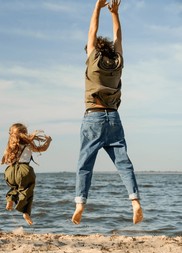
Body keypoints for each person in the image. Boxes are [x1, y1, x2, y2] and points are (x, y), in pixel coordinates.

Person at [72, 0, 143, 225]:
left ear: (92, 50)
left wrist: (97, 8)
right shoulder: (118, 61)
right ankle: (135, 201)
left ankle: (80, 204)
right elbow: (118, 35)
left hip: (93, 116)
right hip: (113, 117)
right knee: (124, 163)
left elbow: (92, 30)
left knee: (85, 164)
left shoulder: (93, 60)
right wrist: (114, 13)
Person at [1, 123, 52, 225]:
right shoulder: (28, 145)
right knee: (28, 190)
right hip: (24, 170)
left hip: (10, 171)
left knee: (15, 188)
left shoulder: (10, 145)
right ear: (24, 133)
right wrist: (48, 141)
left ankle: (10, 200)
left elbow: (5, 158)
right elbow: (42, 149)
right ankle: (25, 212)